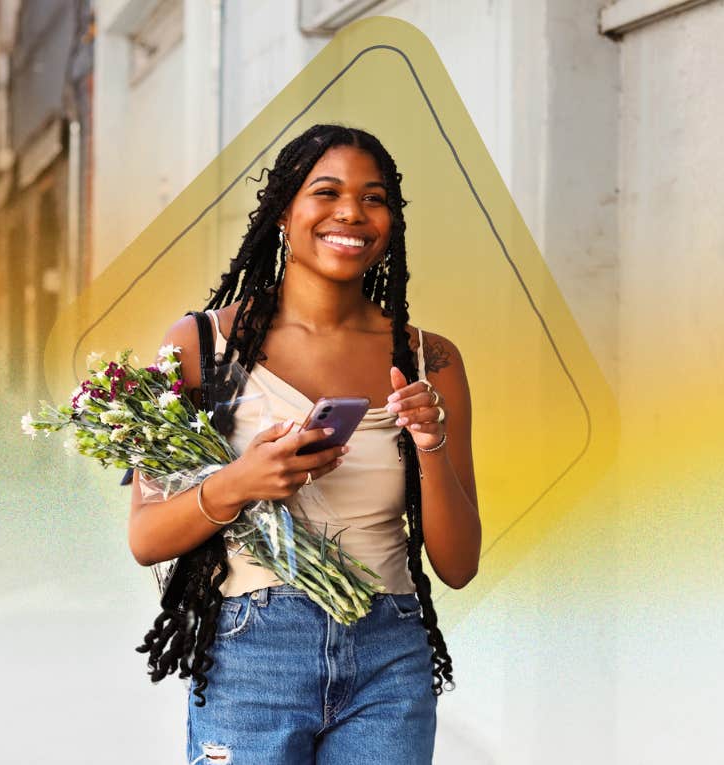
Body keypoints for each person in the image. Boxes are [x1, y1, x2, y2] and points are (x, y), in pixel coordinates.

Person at [127, 123, 481, 763]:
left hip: (390, 654)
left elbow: (458, 567)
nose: (352, 211)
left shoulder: (433, 361)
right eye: (327, 191)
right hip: (251, 653)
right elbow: (146, 538)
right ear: (284, 211)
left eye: (375, 198)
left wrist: (430, 441)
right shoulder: (201, 348)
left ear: (392, 223)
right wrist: (242, 481)